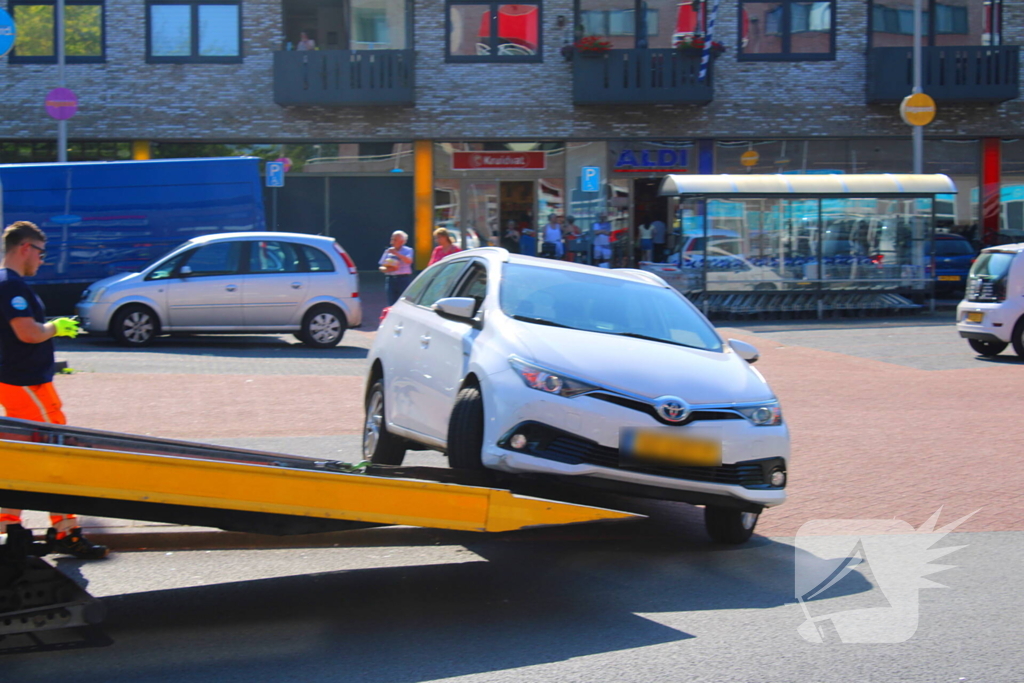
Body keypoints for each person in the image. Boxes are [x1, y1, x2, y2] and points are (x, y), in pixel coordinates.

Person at [0, 221, 108, 560]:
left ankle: (10, 525)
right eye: (40, 252)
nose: (42, 260)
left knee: (25, 455)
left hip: (21, 382)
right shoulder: (11, 286)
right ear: (25, 248)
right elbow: (28, 332)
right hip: (25, 383)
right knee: (57, 453)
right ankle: (65, 531)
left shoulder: (7, 284)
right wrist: (55, 328)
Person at [378, 230, 414, 306]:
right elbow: (381, 266)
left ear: (402, 242)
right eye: (392, 239)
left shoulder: (408, 250)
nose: (392, 242)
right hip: (391, 279)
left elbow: (409, 261)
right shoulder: (388, 251)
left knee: (404, 303)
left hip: (403, 279)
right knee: (391, 303)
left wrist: (396, 254)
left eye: (395, 240)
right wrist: (387, 269)